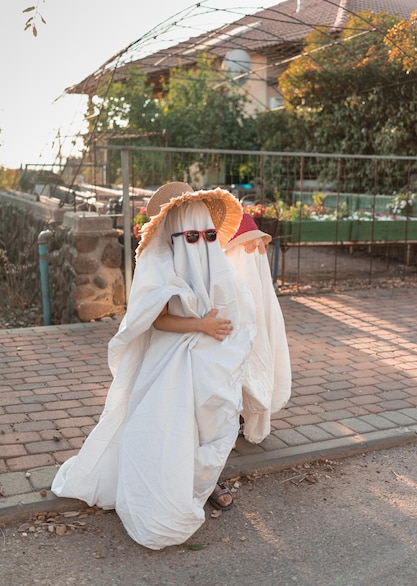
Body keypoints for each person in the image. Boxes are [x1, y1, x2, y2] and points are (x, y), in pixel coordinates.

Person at [51, 182, 256, 550]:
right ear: (175, 230)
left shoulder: (211, 256)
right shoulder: (158, 260)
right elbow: (157, 319)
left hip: (211, 357)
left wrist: (226, 336)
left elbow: (234, 304)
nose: (202, 241)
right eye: (192, 234)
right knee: (172, 425)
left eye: (208, 233)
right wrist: (201, 325)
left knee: (212, 422)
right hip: (171, 360)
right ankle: (168, 491)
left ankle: (203, 483)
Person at [224, 212, 291, 444]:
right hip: (239, 299)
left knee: (246, 353)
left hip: (243, 298)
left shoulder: (235, 223)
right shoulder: (231, 221)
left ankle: (237, 419)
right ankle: (237, 418)